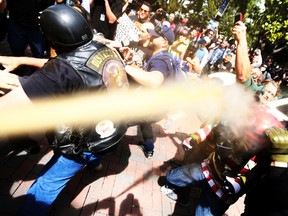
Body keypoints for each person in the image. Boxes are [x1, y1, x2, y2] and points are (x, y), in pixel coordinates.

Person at [0, 4, 128, 215]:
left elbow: (8, 107)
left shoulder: (61, 70)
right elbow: (69, 64)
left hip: (87, 141)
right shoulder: (103, 47)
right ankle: (95, 164)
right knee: (98, 150)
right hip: (114, 129)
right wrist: (22, 60)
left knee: (44, 187)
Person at [160, 21, 283, 215]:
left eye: (270, 94)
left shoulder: (275, 129)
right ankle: (178, 186)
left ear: (274, 99)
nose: (266, 96)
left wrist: (241, 183)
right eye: (265, 91)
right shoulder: (249, 100)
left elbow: (267, 170)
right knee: (173, 177)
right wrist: (242, 39)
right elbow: (242, 79)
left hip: (226, 187)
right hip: (209, 165)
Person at [123, 23, 175, 158]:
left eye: (155, 35)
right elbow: (146, 74)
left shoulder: (162, 60)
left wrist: (125, 67)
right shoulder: (161, 56)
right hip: (158, 108)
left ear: (164, 42)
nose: (151, 36)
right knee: (145, 123)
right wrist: (130, 63)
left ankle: (95, 155)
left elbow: (154, 81)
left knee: (119, 120)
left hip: (152, 109)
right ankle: (149, 148)